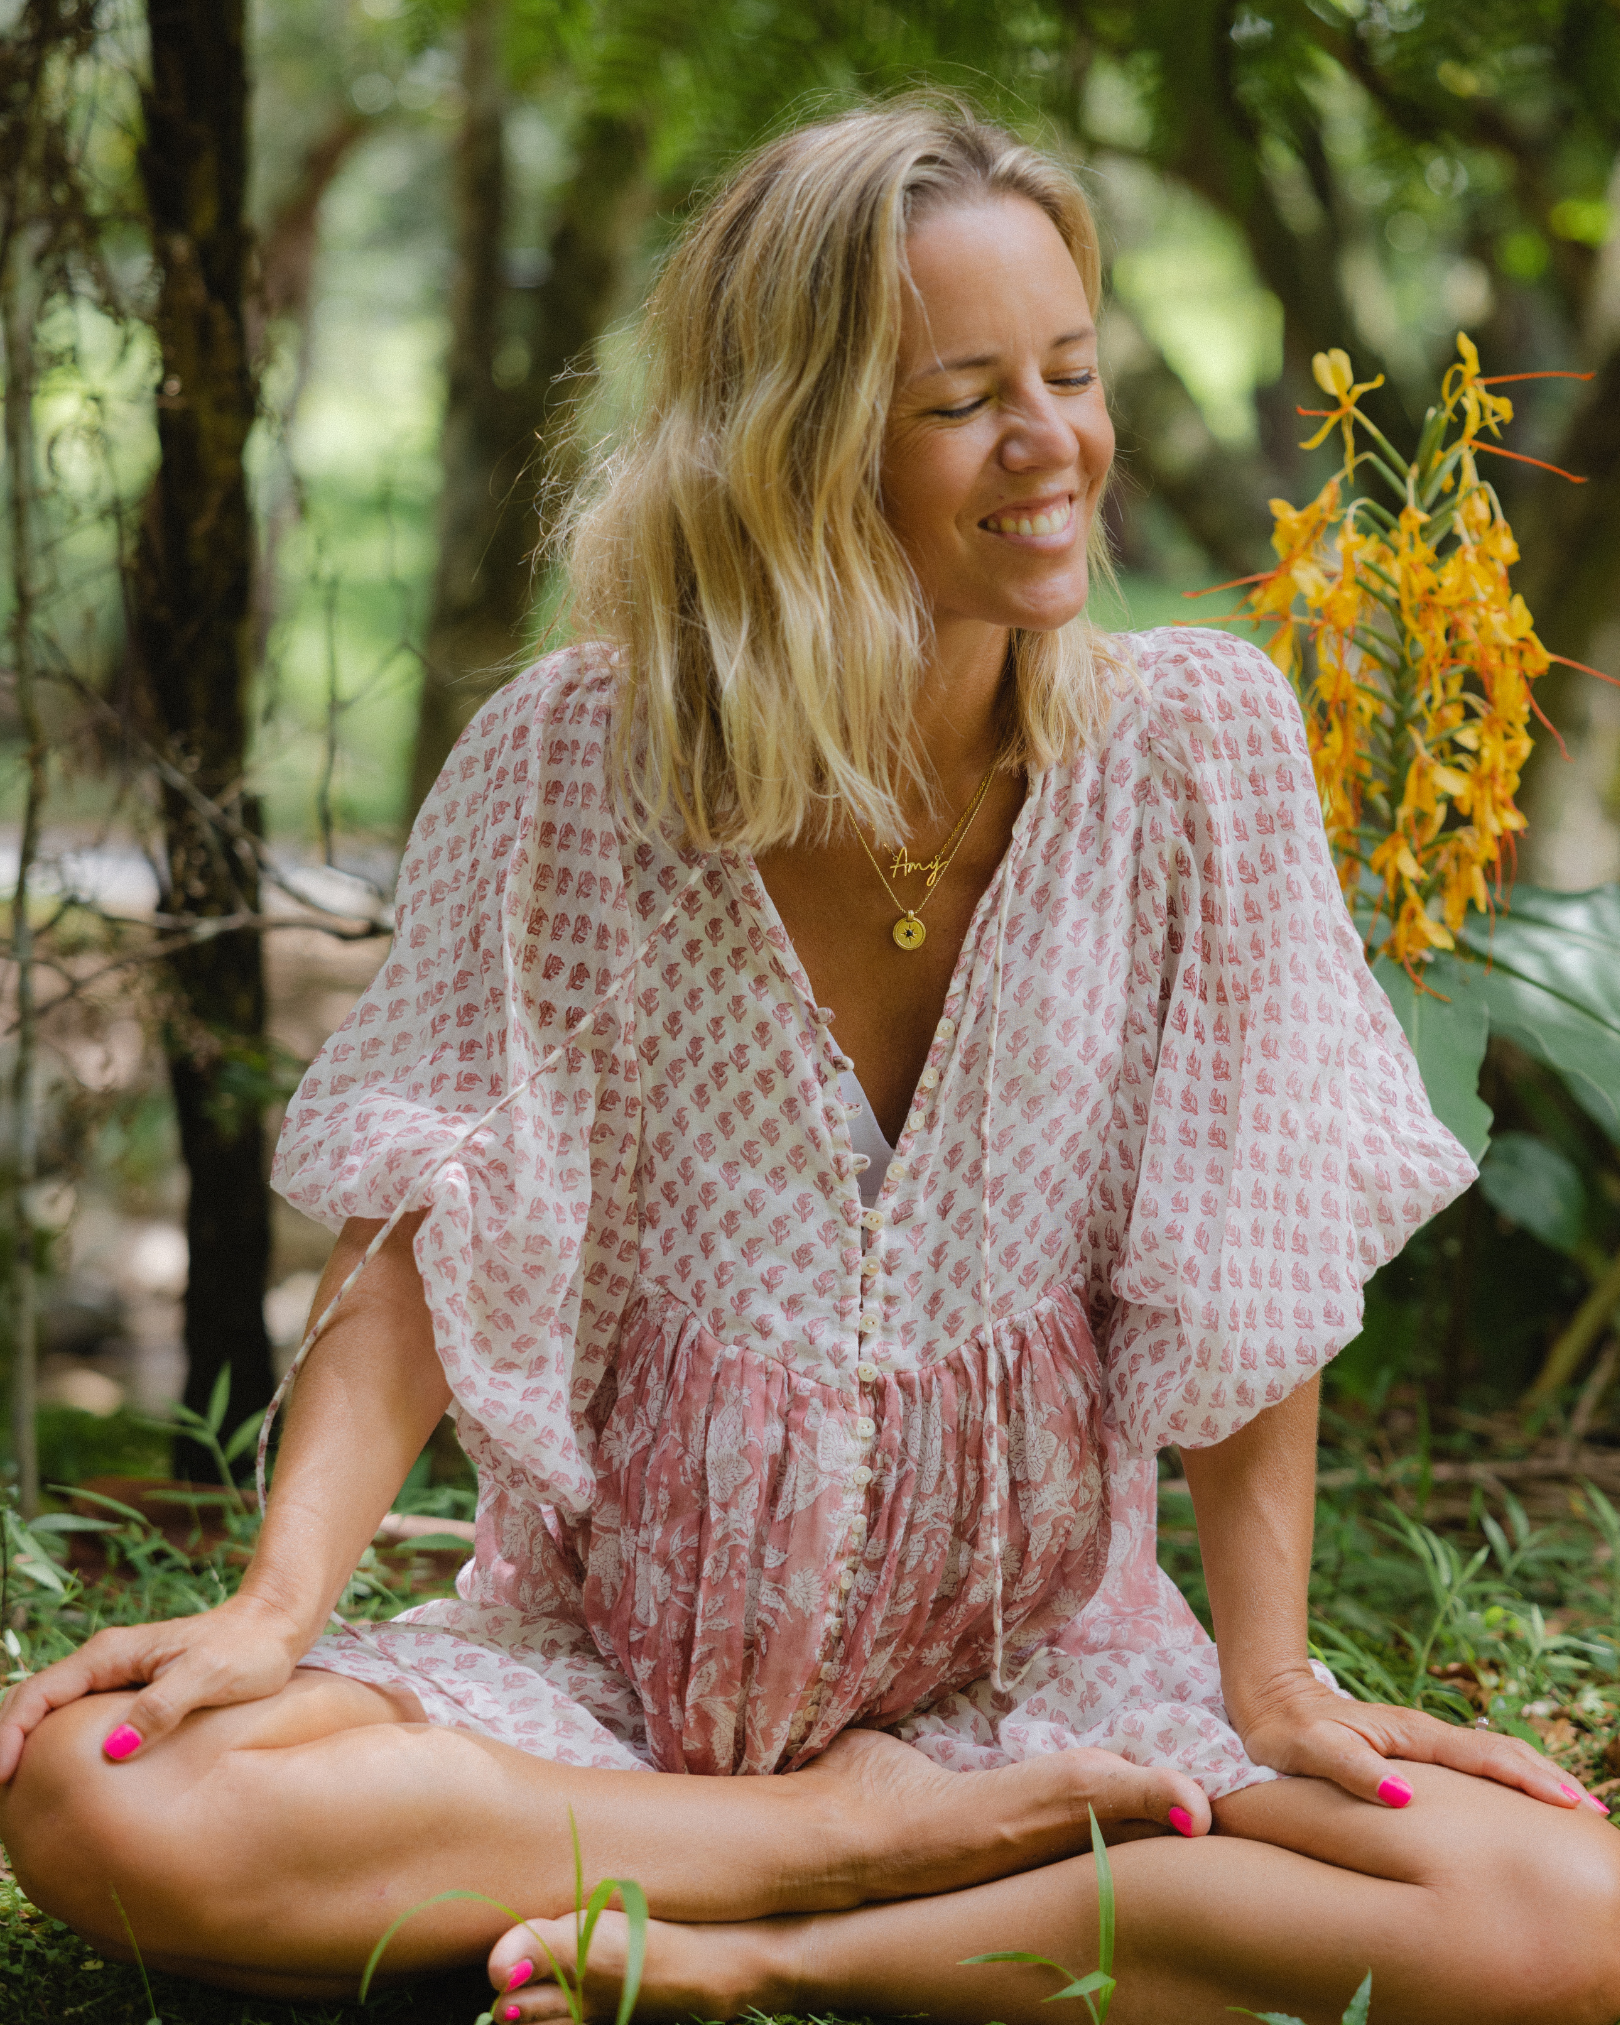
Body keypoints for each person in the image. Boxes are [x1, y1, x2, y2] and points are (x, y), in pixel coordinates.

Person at [3, 98, 1618, 2025]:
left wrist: (1266, 1681)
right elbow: (433, 1215)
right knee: (102, 1805)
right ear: (797, 439)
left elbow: (1243, 1234)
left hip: (1040, 1692)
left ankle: (758, 1950)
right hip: (621, 1688)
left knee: (1562, 1917)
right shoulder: (569, 768)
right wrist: (273, 1613)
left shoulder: (1193, 747)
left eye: (1074, 374)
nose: (1055, 449)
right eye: (963, 401)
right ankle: (848, 1855)